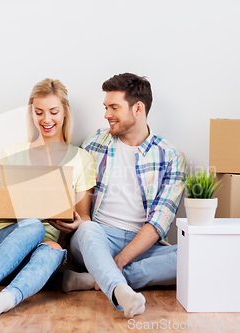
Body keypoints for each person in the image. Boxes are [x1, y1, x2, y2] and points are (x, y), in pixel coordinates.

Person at [0, 79, 96, 320]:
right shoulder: (12, 153)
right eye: (39, 112)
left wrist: (76, 224)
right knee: (32, 225)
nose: (46, 119)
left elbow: (84, 216)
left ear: (65, 112)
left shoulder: (82, 159)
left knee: (55, 248)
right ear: (31, 113)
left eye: (53, 112)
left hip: (36, 265)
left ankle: (4, 300)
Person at [52, 73, 186, 318]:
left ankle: (97, 278)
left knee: (193, 255)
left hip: (145, 244)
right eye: (105, 107)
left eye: (114, 107)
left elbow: (159, 222)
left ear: (138, 108)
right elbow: (73, 194)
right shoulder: (94, 144)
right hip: (98, 237)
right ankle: (119, 290)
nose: (106, 114)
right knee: (88, 229)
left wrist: (120, 260)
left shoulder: (170, 156)